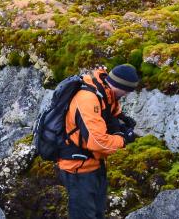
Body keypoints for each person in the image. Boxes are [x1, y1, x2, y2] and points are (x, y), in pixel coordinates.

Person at [58, 63, 139, 219]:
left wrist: (121, 124)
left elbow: (111, 116)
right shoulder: (88, 99)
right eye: (127, 92)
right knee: (84, 216)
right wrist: (123, 140)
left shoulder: (106, 93)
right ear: (121, 87)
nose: (127, 96)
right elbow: (98, 142)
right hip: (78, 168)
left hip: (95, 164)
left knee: (97, 213)